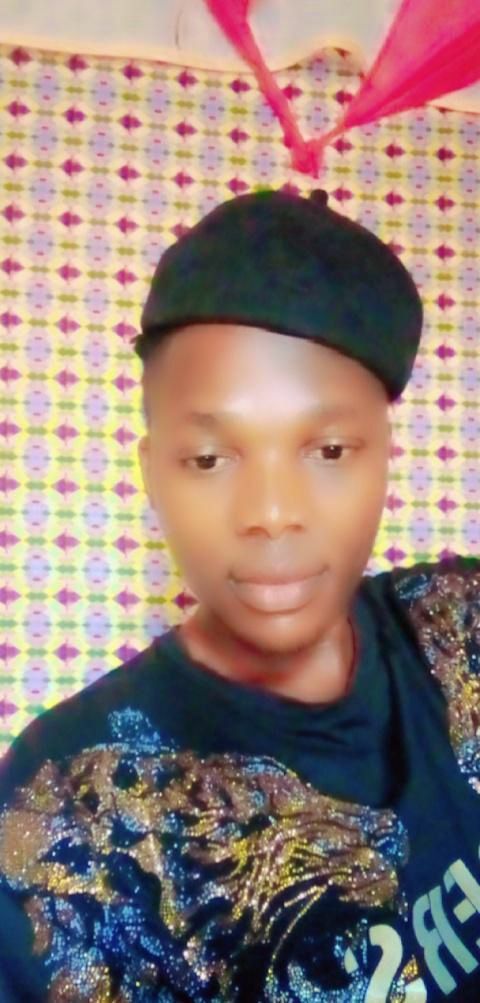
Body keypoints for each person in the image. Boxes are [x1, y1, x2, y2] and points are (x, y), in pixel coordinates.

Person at [0, 187, 478, 1003]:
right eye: (209, 459)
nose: (271, 513)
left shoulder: (459, 619)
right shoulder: (58, 809)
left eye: (329, 449)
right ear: (154, 474)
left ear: (385, 456)